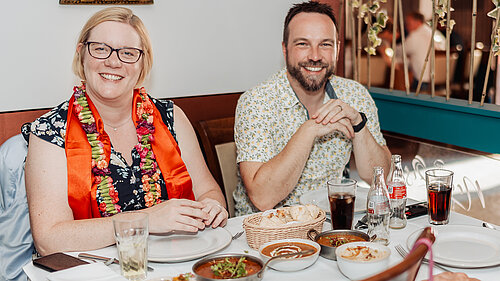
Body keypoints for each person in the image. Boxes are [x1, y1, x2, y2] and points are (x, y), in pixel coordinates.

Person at [23, 7, 228, 256]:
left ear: (143, 64)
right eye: (100, 49)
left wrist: (212, 206)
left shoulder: (171, 116)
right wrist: (146, 220)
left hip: (177, 261)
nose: (113, 61)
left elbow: (208, 190)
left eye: (128, 53)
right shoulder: (49, 130)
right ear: (81, 55)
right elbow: (49, 239)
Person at [233, 2, 391, 216]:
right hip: (270, 229)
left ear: (337, 48)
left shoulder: (354, 95)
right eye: (303, 44)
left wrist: (359, 124)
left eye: (325, 44)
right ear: (285, 49)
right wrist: (309, 131)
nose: (315, 56)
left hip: (334, 221)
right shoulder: (257, 102)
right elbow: (263, 198)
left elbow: (381, 177)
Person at [402, 12, 446, 91]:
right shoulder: (435, 33)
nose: (406, 26)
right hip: (442, 80)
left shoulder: (415, 36)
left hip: (422, 80)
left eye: (408, 23)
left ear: (418, 22)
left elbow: (402, 51)